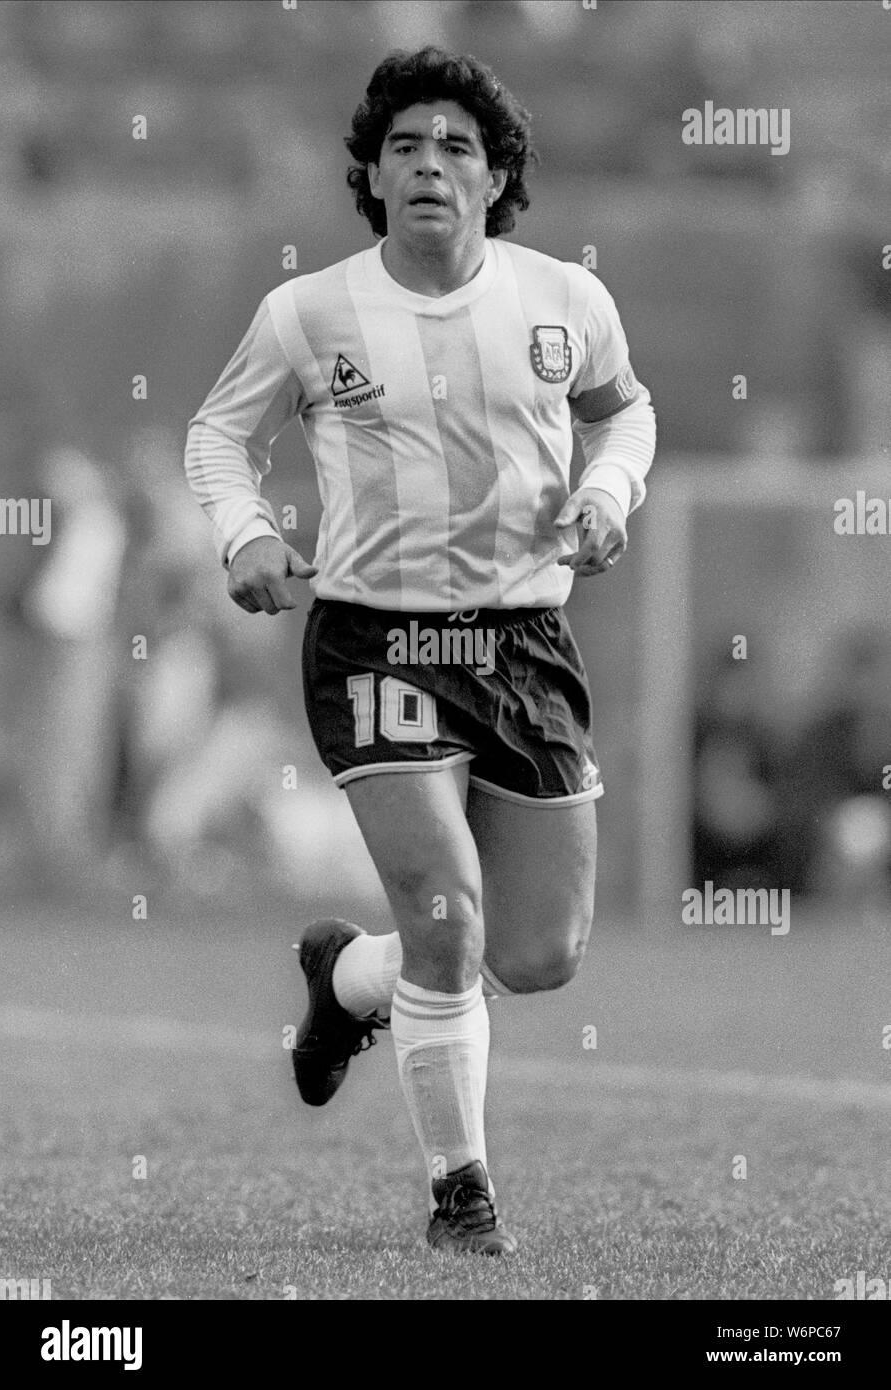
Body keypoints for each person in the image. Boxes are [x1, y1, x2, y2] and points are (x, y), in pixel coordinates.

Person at [185, 47, 656, 1256]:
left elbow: (625, 411)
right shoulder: (309, 312)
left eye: (458, 146)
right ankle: (462, 1197)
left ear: (497, 179)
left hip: (524, 641)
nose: (431, 162)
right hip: (377, 638)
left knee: (537, 952)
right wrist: (245, 534)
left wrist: (610, 493)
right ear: (373, 177)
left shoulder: (565, 298)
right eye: (407, 146)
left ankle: (345, 983)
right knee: (447, 917)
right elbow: (217, 435)